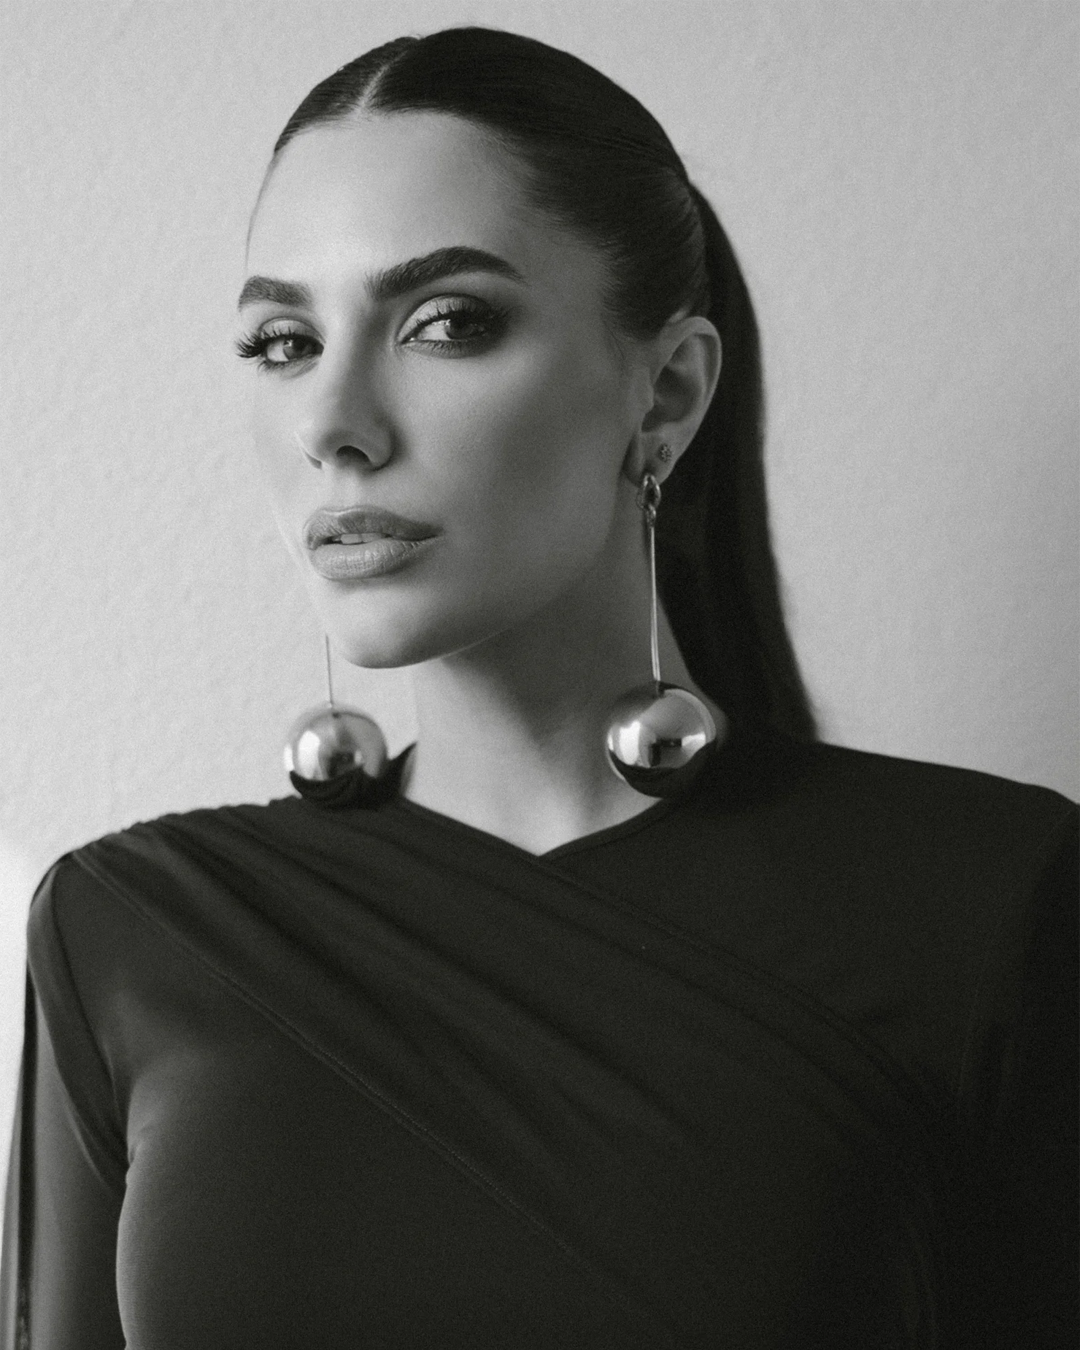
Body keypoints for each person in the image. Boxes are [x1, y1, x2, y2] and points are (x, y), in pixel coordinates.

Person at [2, 25, 1075, 1350]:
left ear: (666, 394)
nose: (334, 423)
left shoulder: (987, 901)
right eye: (282, 342)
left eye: (446, 323)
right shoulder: (127, 932)